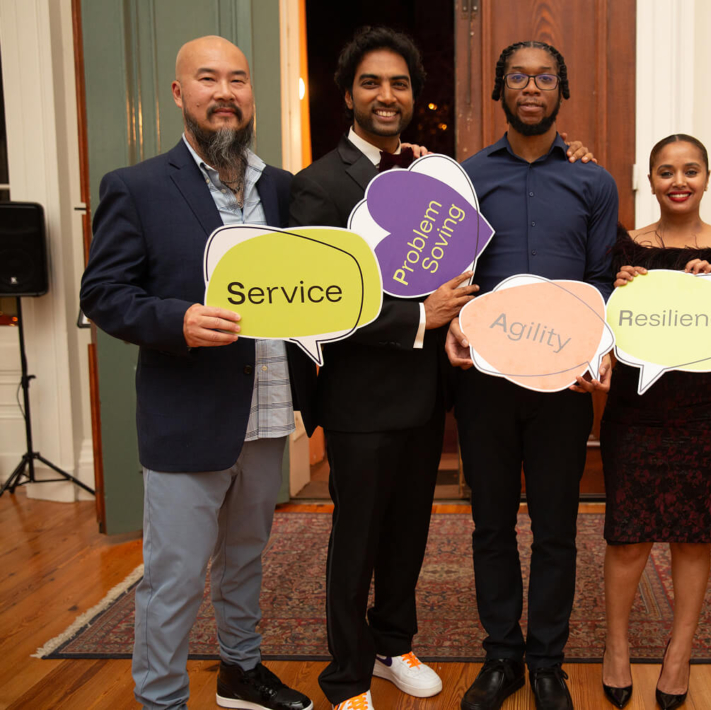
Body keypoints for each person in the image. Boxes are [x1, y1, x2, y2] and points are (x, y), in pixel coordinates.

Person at [287, 27, 595, 710]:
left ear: (414, 98)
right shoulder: (317, 186)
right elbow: (318, 304)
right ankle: (345, 679)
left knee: (408, 535)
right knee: (356, 540)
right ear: (347, 95)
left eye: (399, 84)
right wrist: (420, 319)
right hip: (360, 400)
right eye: (372, 83)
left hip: (428, 395)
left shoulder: (430, 174)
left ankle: (394, 645)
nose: (386, 95)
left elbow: (464, 271)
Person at [79, 36, 313, 710]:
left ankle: (240, 672)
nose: (226, 93)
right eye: (207, 79)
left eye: (238, 80)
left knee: (245, 558)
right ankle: (161, 698)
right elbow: (103, 295)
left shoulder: (283, 188)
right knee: (174, 575)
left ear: (251, 96)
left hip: (268, 411)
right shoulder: (139, 187)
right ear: (179, 94)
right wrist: (175, 320)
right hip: (187, 417)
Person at [445, 40, 619, 710]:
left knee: (555, 526)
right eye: (518, 75)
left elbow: (602, 279)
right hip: (484, 381)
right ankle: (501, 658)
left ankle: (547, 660)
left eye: (545, 76)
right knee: (489, 524)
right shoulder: (466, 177)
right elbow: (448, 275)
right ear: (501, 89)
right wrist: (453, 327)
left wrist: (593, 349)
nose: (531, 86)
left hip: (562, 384)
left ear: (561, 90)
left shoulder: (592, 182)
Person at [599, 135, 711, 710]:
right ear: (648, 181)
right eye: (666, 171)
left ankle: (680, 652)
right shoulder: (622, 249)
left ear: (706, 177)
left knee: (694, 538)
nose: (679, 180)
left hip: (705, 411)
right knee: (627, 536)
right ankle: (617, 648)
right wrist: (613, 295)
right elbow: (598, 329)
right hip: (634, 411)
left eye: (690, 170)